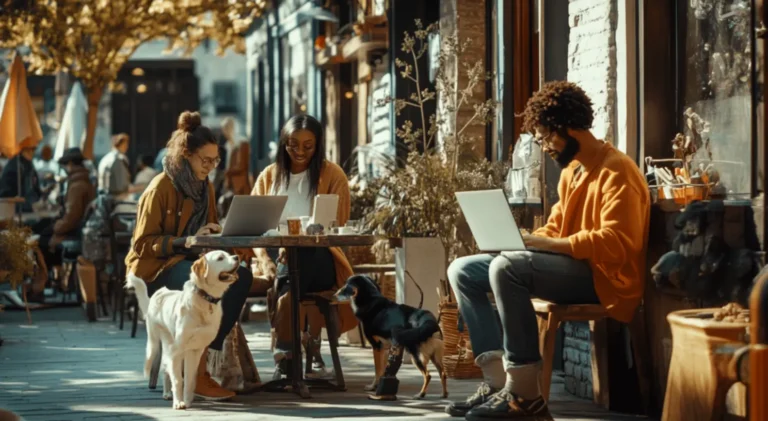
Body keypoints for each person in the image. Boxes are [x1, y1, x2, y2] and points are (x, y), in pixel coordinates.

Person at [445, 81, 650, 420]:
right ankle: (498, 384)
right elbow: (556, 229)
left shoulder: (618, 171)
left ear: (568, 128)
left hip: (604, 278)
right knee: (462, 270)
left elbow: (618, 244)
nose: (544, 147)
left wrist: (542, 245)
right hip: (572, 266)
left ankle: (526, 396)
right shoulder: (572, 172)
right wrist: (526, 239)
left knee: (506, 268)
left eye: (544, 137)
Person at [125, 111, 253, 402]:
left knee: (240, 277)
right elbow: (142, 244)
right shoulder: (160, 187)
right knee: (203, 286)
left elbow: (206, 231)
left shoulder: (205, 186)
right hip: (156, 271)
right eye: (205, 160)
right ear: (186, 155)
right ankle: (196, 376)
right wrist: (185, 241)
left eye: (215, 161)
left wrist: (216, 233)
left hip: (191, 263)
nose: (210, 167)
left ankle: (203, 361)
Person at [249, 114, 358, 378]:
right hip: (277, 257)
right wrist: (264, 260)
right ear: (283, 142)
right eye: (292, 144)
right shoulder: (269, 176)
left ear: (318, 144)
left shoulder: (332, 174)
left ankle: (285, 355)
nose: (299, 152)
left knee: (299, 261)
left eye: (308, 146)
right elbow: (252, 224)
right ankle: (297, 347)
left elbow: (337, 223)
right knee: (288, 289)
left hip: (321, 258)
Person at [37, 147, 96, 271]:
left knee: (40, 239)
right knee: (43, 228)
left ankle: (44, 279)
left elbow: (71, 218)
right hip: (78, 229)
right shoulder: (83, 181)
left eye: (65, 164)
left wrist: (55, 228)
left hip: (73, 231)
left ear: (70, 164)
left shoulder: (77, 185)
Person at [0, 146, 42, 212]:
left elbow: (35, 189)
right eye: (31, 149)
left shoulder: (29, 165)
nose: (33, 152)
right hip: (17, 212)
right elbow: (5, 197)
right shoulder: (13, 167)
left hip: (29, 212)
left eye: (34, 149)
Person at [97, 133, 131, 198]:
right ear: (120, 144)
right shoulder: (118, 159)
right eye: (126, 144)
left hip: (104, 197)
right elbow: (121, 186)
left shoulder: (106, 158)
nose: (127, 147)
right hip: (117, 199)